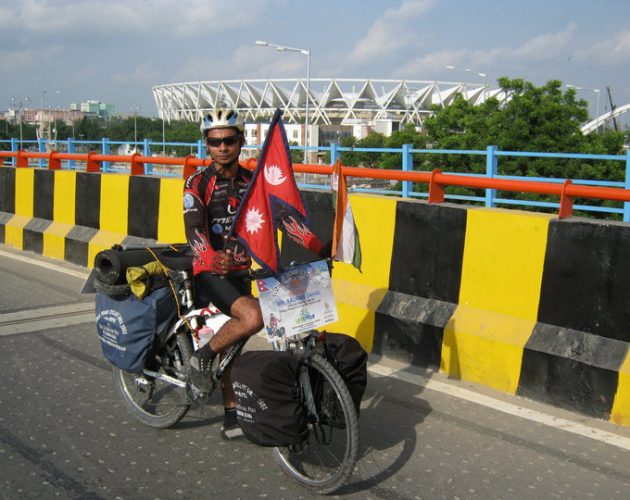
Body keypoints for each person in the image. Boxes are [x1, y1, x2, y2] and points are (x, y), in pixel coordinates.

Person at [183, 108, 328, 440]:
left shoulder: (254, 184)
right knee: (251, 317)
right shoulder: (197, 184)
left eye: (229, 140)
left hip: (242, 272)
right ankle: (201, 357)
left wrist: (318, 246)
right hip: (211, 274)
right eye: (215, 142)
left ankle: (233, 412)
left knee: (238, 338)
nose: (222, 147)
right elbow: (193, 230)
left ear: (241, 141)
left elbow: (285, 221)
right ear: (206, 144)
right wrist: (211, 256)